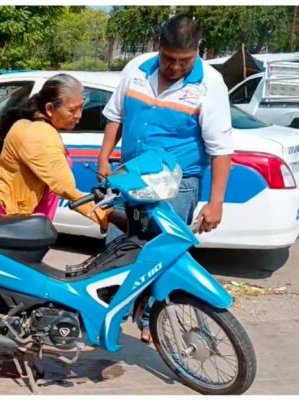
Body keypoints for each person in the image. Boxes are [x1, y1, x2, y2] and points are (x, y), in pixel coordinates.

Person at [98, 15, 234, 342]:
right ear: (158, 47)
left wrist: (216, 202)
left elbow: (221, 149)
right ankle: (108, 314)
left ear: (198, 50)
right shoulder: (137, 69)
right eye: (168, 58)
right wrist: (104, 156)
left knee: (162, 252)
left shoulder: (210, 85)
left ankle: (149, 320)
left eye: (183, 60)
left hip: (178, 185)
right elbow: (116, 115)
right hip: (131, 179)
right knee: (120, 247)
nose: (174, 66)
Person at [0, 74, 108, 226]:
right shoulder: (38, 133)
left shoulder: (37, 125)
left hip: (25, 215)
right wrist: (107, 218)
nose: (79, 116)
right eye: (72, 110)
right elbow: (66, 187)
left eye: (81, 107)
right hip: (14, 219)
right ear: (50, 109)